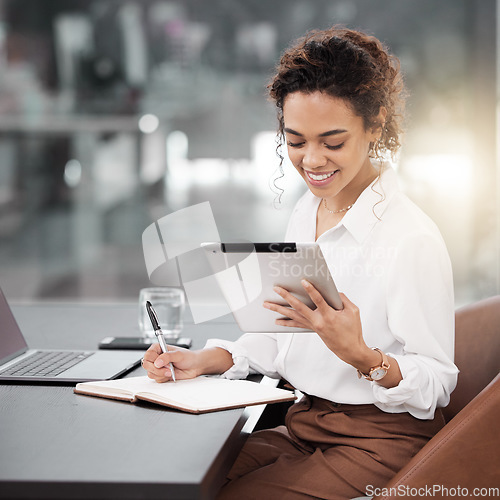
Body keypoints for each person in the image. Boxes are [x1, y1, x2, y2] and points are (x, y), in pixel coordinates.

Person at [142, 26, 458, 499]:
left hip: (380, 442)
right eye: (296, 141)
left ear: (375, 127)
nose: (312, 160)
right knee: (179, 479)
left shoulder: (411, 237)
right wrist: (210, 359)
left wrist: (362, 356)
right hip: (305, 422)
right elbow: (284, 333)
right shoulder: (309, 209)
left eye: (333, 142)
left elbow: (437, 383)